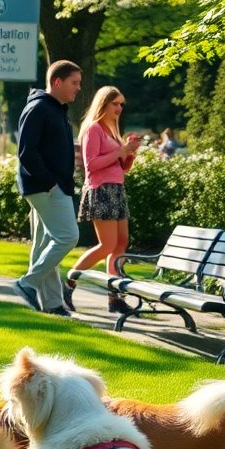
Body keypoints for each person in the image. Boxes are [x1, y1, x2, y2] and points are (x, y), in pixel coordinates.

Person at [13, 60, 83, 317]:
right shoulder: (40, 108)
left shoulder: (54, 108)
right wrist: (51, 183)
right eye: (74, 83)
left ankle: (52, 304)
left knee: (46, 243)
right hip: (47, 187)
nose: (78, 88)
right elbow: (26, 152)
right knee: (67, 237)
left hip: (48, 185)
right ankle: (27, 284)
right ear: (57, 82)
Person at [63, 86, 141, 314]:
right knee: (106, 245)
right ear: (103, 104)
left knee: (121, 243)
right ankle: (68, 283)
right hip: (101, 190)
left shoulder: (112, 130)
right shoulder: (93, 129)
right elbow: (91, 165)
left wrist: (129, 154)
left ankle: (114, 297)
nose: (119, 108)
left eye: (121, 104)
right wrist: (120, 151)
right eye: (115, 103)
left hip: (117, 190)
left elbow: (121, 168)